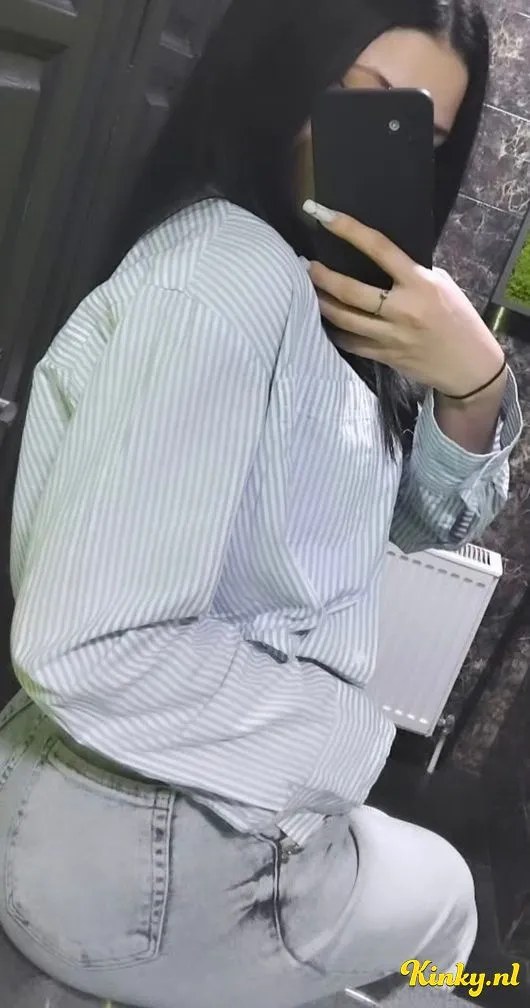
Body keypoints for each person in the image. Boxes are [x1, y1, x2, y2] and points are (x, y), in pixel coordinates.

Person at [0, 1, 522, 1006]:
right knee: (451, 904)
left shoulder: (308, 281)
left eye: (421, 134)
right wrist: (346, 740)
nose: (382, 149)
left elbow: (411, 519)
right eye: (365, 101)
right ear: (281, 66)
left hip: (122, 810)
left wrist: (473, 384)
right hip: (156, 837)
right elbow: (92, 644)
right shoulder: (226, 279)